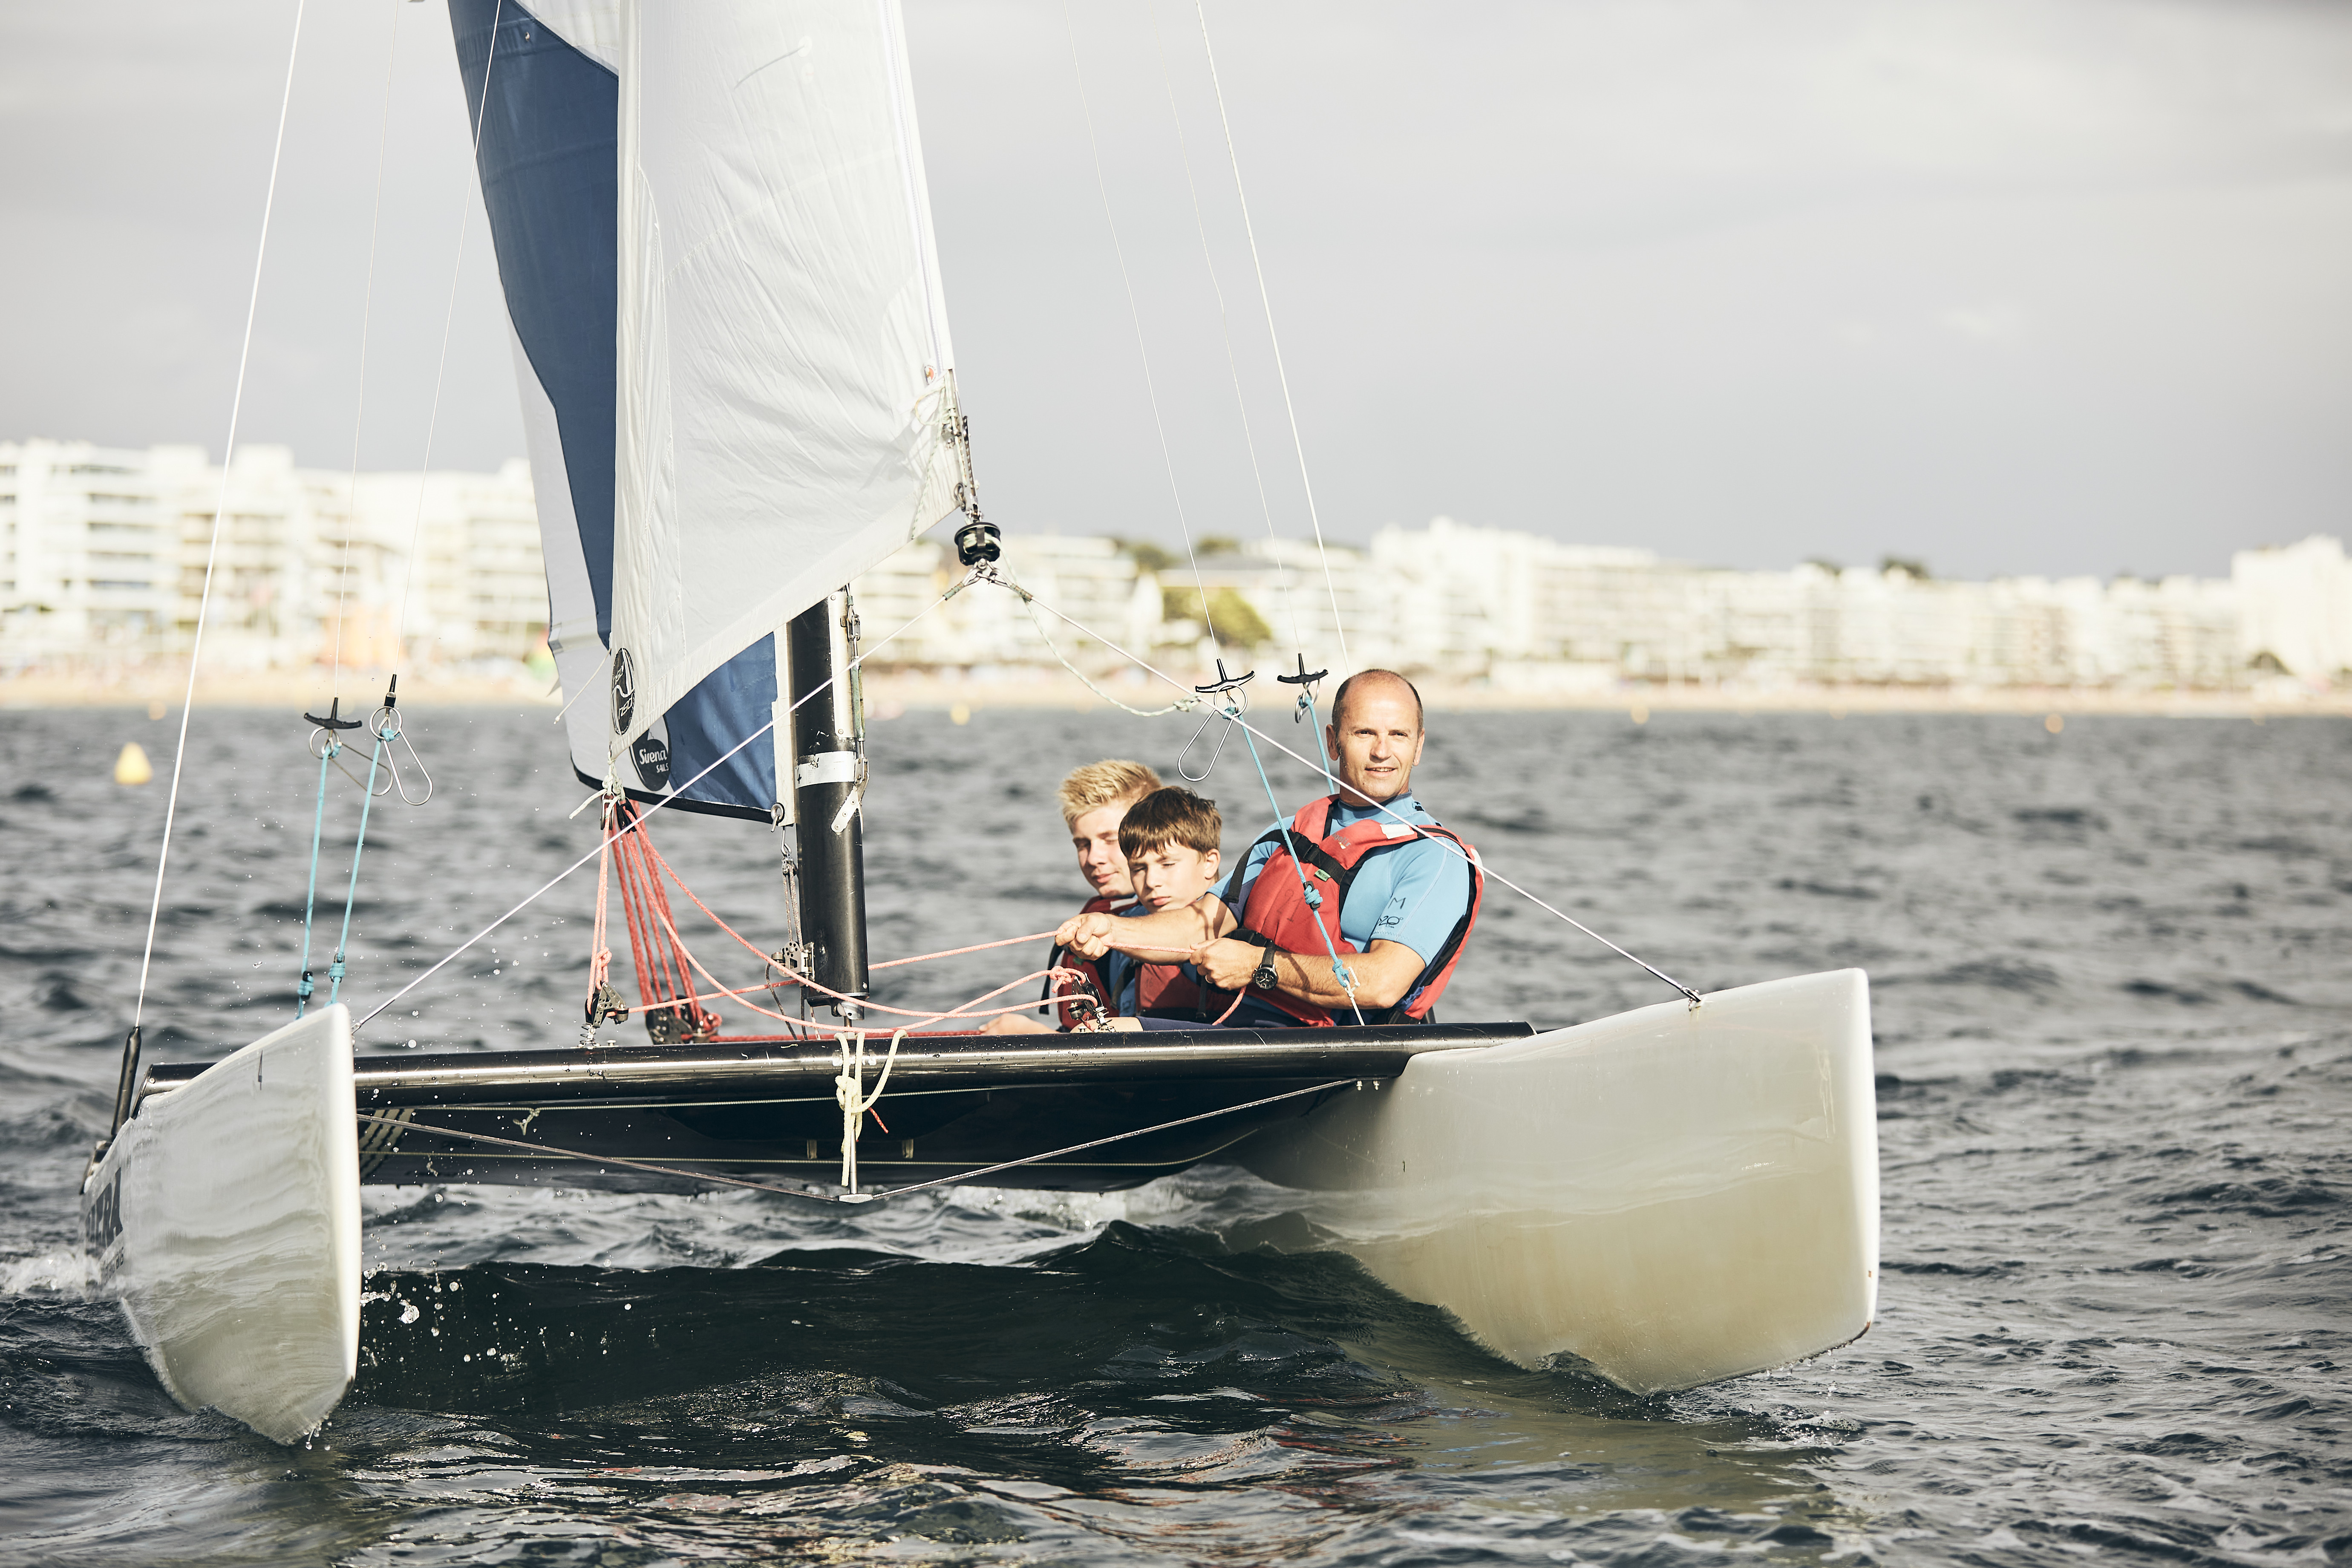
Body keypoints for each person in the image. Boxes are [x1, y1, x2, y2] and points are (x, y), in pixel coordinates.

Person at [1055, 669, 1482, 1027]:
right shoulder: (1289, 831)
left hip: (1335, 1055)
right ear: (1334, 742)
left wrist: (1260, 965)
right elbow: (1201, 925)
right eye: (1364, 732)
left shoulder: (1435, 858)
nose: (1382, 751)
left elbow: (1384, 982)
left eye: (1399, 735)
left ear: (1419, 745)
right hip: (1247, 1034)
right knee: (1104, 1029)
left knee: (1122, 1032)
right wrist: (1112, 931)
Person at [980, 758, 1160, 1034]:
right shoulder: (1103, 911)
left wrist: (1031, 1035)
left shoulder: (1169, 920)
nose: (1094, 858)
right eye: (1083, 844)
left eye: (1110, 840)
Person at [1092, 787, 1225, 1025]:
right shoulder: (1124, 931)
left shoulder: (1244, 929)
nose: (1152, 882)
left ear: (1209, 863)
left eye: (1167, 864)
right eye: (1139, 869)